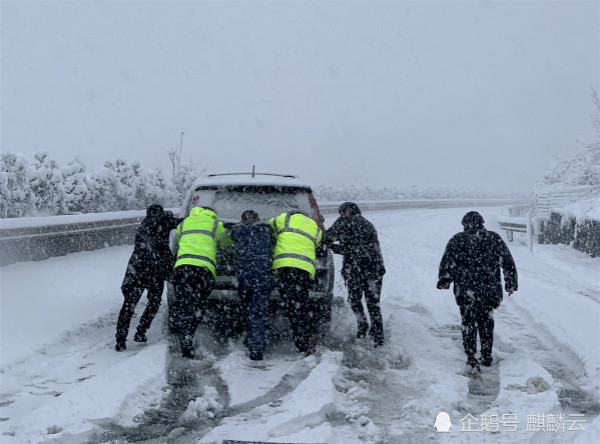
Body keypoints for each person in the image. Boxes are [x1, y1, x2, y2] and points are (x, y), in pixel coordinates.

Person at [437, 211, 518, 370]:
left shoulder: (457, 240)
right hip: (488, 290)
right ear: (482, 223)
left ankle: (470, 355)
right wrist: (511, 283)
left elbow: (447, 263)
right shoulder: (493, 238)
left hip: (465, 291)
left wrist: (445, 281)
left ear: (464, 224)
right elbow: (507, 261)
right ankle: (486, 355)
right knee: (486, 322)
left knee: (468, 322)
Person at [115, 204, 181, 351]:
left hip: (137, 269)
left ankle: (120, 340)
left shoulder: (143, 225)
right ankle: (141, 331)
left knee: (128, 305)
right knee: (154, 300)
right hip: (155, 270)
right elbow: (183, 223)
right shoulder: (164, 220)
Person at [325, 202, 386, 347]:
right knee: (373, 303)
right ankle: (378, 336)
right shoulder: (368, 224)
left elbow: (329, 237)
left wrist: (331, 245)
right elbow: (356, 247)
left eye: (341, 213)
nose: (340, 216)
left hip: (355, 270)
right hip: (374, 269)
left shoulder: (345, 221)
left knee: (355, 299)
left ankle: (362, 325)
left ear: (347, 212)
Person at [170, 206, 227, 358]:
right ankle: (188, 335)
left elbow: (177, 240)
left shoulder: (184, 223)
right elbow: (226, 242)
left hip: (183, 267)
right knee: (198, 303)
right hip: (204, 270)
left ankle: (182, 333)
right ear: (212, 214)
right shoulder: (216, 224)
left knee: (184, 302)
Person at [269, 210, 323, 356]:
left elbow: (268, 228)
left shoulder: (284, 218)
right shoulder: (314, 227)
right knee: (301, 303)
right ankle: (304, 338)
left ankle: (300, 339)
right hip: (305, 269)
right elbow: (318, 244)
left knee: (290, 303)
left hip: (285, 265)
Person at [230, 210, 276, 361]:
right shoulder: (267, 229)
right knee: (258, 311)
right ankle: (256, 347)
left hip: (244, 275)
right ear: (258, 218)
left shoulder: (236, 230)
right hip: (263, 274)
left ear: (242, 220)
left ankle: (250, 339)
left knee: (247, 308)